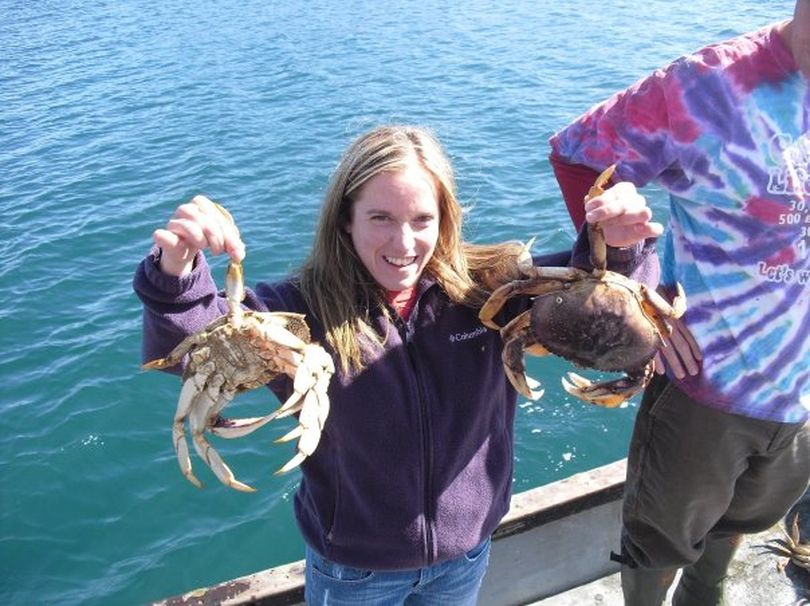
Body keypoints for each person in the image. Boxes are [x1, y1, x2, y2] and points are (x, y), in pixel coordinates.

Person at [134, 124, 661, 605]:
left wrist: (621, 249)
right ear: (345, 218)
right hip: (355, 569)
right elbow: (203, 349)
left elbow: (599, 294)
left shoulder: (492, 290)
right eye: (380, 218)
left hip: (465, 552)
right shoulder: (300, 315)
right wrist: (177, 273)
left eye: (421, 219)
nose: (403, 243)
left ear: (445, 219)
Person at [548, 2, 810, 604]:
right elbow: (578, 154)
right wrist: (639, 294)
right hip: (704, 385)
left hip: (799, 396)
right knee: (657, 540)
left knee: (743, 520)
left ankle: (707, 594)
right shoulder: (705, 85)